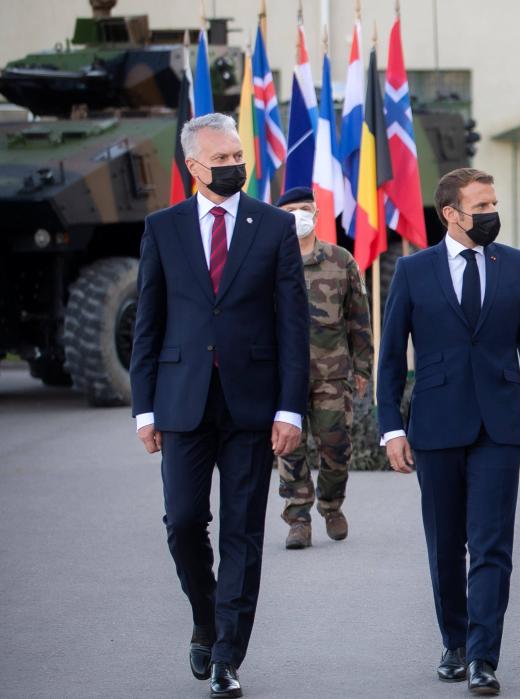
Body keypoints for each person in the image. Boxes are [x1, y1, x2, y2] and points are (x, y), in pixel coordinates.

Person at [129, 112, 309, 698]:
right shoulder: (163, 228)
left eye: (238, 156)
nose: (234, 165)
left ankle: (228, 655)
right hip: (181, 402)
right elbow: (149, 322)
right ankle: (205, 618)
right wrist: (143, 408)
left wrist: (290, 409)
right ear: (193, 167)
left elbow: (293, 325)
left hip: (252, 405)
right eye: (221, 159)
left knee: (243, 532)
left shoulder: (274, 226)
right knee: (183, 522)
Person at [377, 167, 520, 696]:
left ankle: (482, 656)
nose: (491, 214)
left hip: (499, 424)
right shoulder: (413, 270)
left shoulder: (516, 265)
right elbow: (391, 358)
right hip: (435, 425)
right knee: (445, 544)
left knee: (491, 544)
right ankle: (453, 642)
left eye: (493, 204)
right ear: (450, 214)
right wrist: (391, 428)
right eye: (481, 207)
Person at [273, 186, 372, 549]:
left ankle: (331, 506)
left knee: (336, 446)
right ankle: (298, 518)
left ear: (316, 214)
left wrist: (363, 368)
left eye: (304, 209)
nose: (298, 216)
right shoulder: (269, 262)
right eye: (290, 211)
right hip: (284, 377)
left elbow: (358, 318)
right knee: (289, 449)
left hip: (332, 374)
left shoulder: (340, 260)